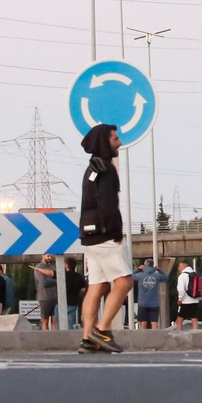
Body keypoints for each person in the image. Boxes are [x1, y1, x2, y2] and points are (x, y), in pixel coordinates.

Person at [76, 124, 133, 354]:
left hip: (88, 236)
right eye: (115, 139)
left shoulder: (92, 168)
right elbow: (108, 205)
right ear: (104, 142)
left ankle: (87, 339)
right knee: (124, 281)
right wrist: (116, 233)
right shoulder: (107, 169)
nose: (119, 143)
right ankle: (102, 330)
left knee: (96, 286)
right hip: (104, 235)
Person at [134, 259, 164, 329]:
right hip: (154, 303)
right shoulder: (157, 276)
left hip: (142, 303)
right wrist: (159, 270)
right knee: (154, 323)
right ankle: (156, 338)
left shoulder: (140, 275)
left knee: (143, 323)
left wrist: (138, 269)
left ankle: (142, 338)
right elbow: (166, 277)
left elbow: (131, 274)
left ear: (144, 265)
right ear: (153, 265)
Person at [33, 254, 59, 330]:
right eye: (48, 256)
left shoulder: (53, 267)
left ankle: (55, 338)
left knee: (55, 320)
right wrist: (56, 281)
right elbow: (43, 282)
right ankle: (46, 339)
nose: (50, 258)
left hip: (54, 297)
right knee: (45, 320)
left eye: (51, 256)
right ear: (43, 255)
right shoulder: (38, 268)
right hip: (44, 298)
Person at [175, 264, 202, 331]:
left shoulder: (182, 276)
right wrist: (198, 298)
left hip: (185, 301)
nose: (178, 268)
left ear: (184, 266)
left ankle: (179, 336)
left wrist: (180, 299)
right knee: (194, 319)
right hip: (195, 301)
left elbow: (181, 290)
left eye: (179, 266)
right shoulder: (196, 275)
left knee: (179, 320)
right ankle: (195, 334)